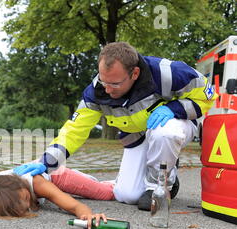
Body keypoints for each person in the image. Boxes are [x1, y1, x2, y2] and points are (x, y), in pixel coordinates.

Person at [13, 42, 218, 211]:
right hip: (137, 135)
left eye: (116, 84)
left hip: (175, 125)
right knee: (127, 195)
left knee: (165, 133)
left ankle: (160, 184)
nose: (108, 90)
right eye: (104, 82)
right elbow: (73, 131)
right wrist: (46, 162)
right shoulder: (95, 93)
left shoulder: (169, 73)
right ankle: (165, 171)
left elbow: (208, 97)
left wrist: (174, 108)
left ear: (135, 73)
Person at [0, 167, 109, 229]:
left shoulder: (37, 183)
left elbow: (75, 206)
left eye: (26, 198)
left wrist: (87, 216)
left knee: (106, 193)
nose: (30, 205)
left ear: (22, 186)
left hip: (56, 175)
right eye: (24, 206)